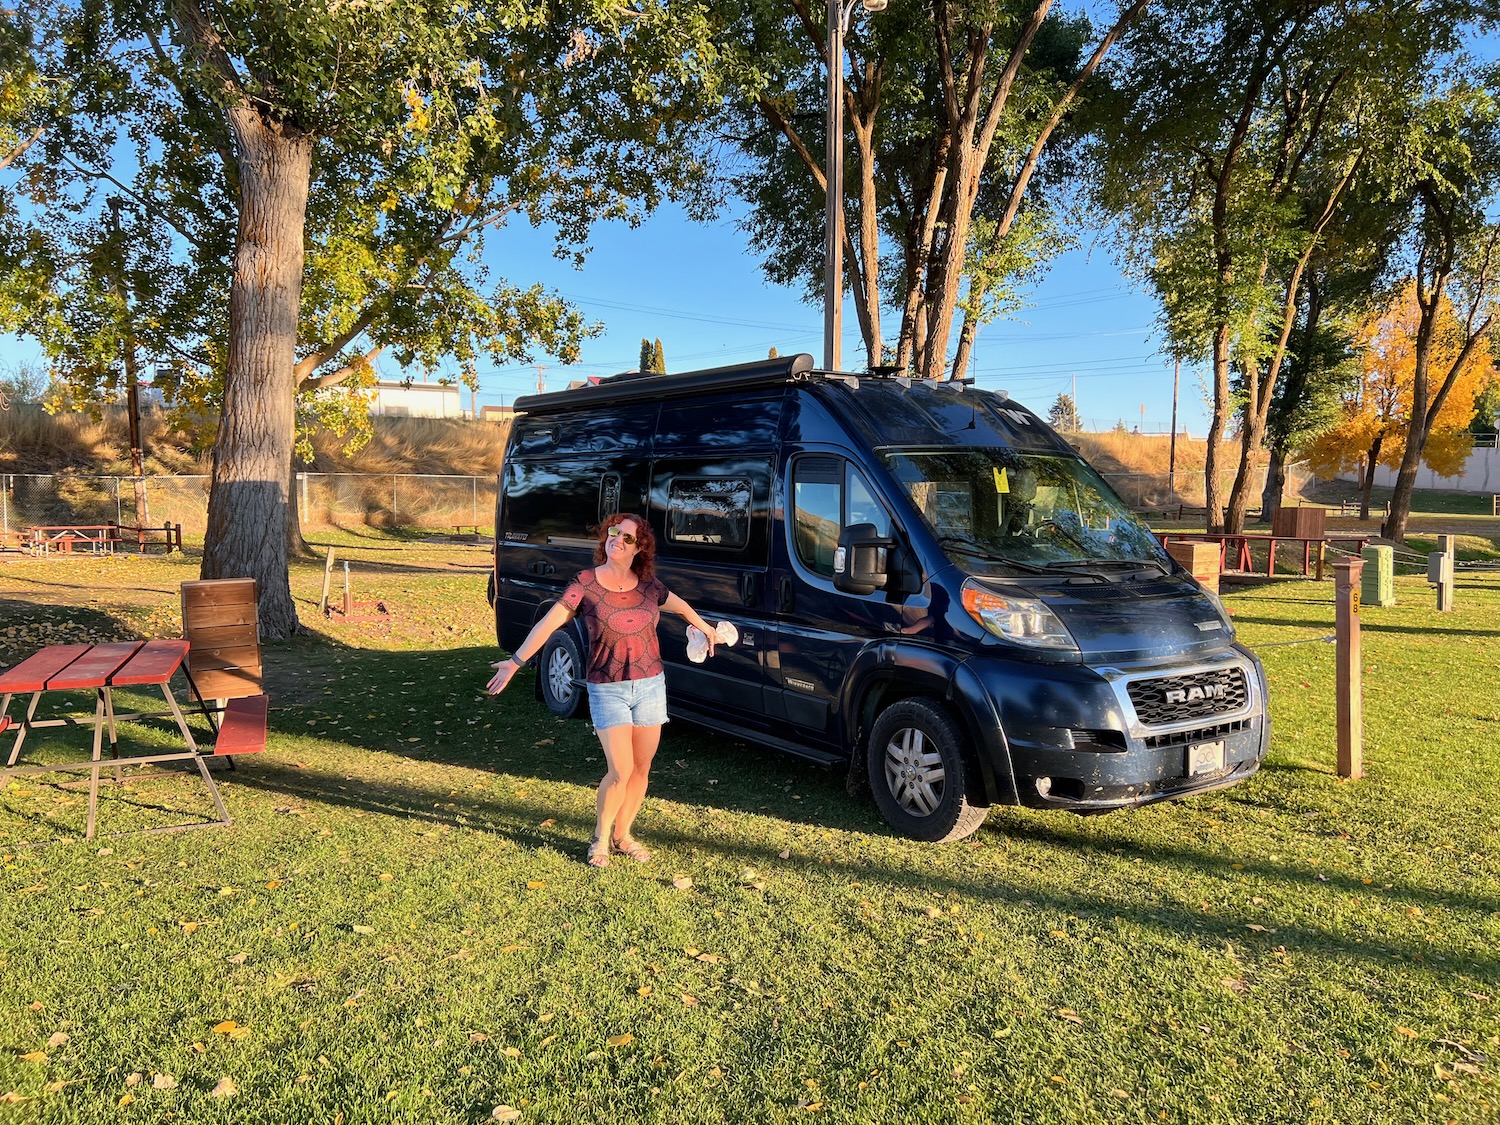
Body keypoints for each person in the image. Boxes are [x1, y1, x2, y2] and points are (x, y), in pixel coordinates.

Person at [485, 513, 719, 868]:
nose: (617, 540)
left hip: (650, 686)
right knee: (620, 770)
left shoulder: (648, 586)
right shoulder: (585, 584)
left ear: (639, 548)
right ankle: (600, 838)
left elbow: (681, 606)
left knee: (641, 769)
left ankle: (623, 836)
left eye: (627, 537)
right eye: (614, 532)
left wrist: (705, 628)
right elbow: (548, 624)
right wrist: (516, 662)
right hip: (608, 689)